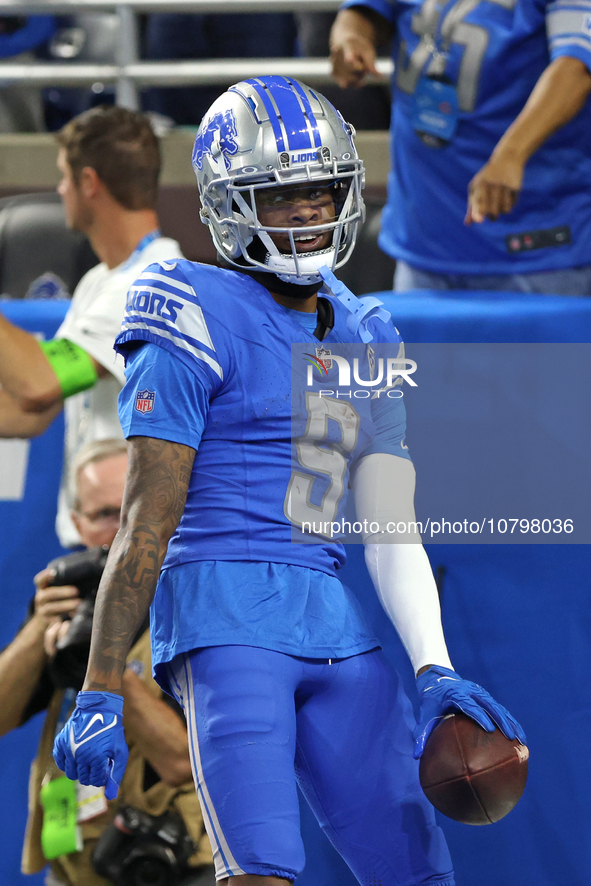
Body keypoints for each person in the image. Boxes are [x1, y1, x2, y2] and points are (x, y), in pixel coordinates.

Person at [52, 77, 526, 886]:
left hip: (332, 618)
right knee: (261, 871)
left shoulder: (368, 324)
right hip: (223, 609)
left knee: (420, 875)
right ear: (231, 202)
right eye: (284, 195)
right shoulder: (186, 299)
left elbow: (388, 520)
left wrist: (433, 666)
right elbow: (145, 520)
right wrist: (99, 684)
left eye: (322, 190)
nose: (310, 210)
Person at [0, 438, 213, 886]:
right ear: (76, 523)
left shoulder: (200, 602)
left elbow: (182, 762)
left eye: (137, 504)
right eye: (104, 515)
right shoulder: (68, 600)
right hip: (76, 863)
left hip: (174, 863)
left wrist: (104, 670)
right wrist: (42, 626)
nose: (125, 529)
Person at [0, 105, 183, 546]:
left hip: (134, 542)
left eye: (65, 176)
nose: (60, 189)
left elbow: (39, 382)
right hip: (101, 540)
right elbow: (32, 411)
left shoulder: (152, 282)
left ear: (89, 183)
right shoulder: (101, 282)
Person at [330, 1, 591, 294]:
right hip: (424, 240)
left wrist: (511, 155)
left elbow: (577, 68)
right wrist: (352, 37)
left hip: (536, 251)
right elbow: (364, 10)